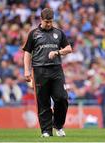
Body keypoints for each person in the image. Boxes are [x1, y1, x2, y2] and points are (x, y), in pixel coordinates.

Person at [23, 8, 72, 137]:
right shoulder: (33, 34)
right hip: (39, 70)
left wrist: (57, 52)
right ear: (41, 20)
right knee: (43, 102)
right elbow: (27, 53)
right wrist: (26, 71)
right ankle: (46, 131)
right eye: (46, 22)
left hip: (56, 70)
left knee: (62, 98)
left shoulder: (59, 33)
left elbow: (69, 48)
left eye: (50, 21)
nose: (49, 24)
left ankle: (58, 126)